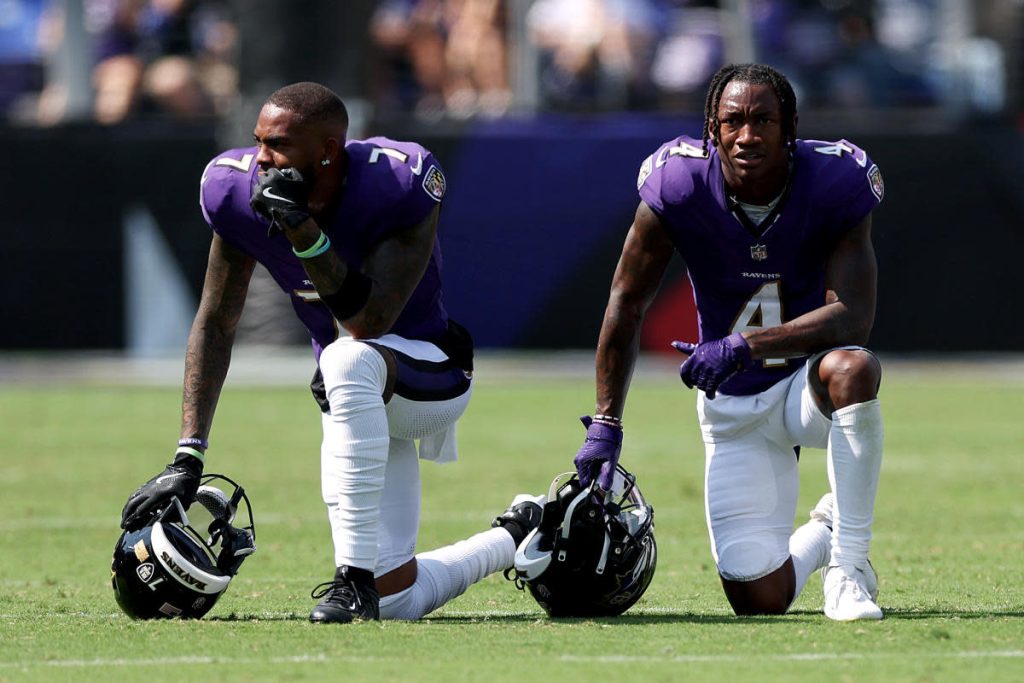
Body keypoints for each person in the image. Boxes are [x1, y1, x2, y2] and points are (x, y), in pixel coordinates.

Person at [119, 81, 543, 623]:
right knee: (398, 600)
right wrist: (189, 453)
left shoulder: (396, 180)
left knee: (345, 358)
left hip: (429, 372)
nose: (262, 160)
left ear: (328, 148)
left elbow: (370, 321)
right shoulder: (233, 191)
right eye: (258, 142)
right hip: (355, 395)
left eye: (278, 145)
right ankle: (519, 532)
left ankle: (351, 581)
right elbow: (216, 320)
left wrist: (303, 230)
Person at [573, 63, 886, 621]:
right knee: (757, 597)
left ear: (789, 126)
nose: (748, 135)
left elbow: (854, 317)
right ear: (711, 130)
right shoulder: (678, 183)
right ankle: (826, 530)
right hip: (735, 404)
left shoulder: (833, 179)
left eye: (763, 120)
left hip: (802, 385)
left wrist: (746, 344)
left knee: (853, 369)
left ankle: (850, 568)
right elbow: (626, 301)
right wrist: (606, 422)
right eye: (733, 121)